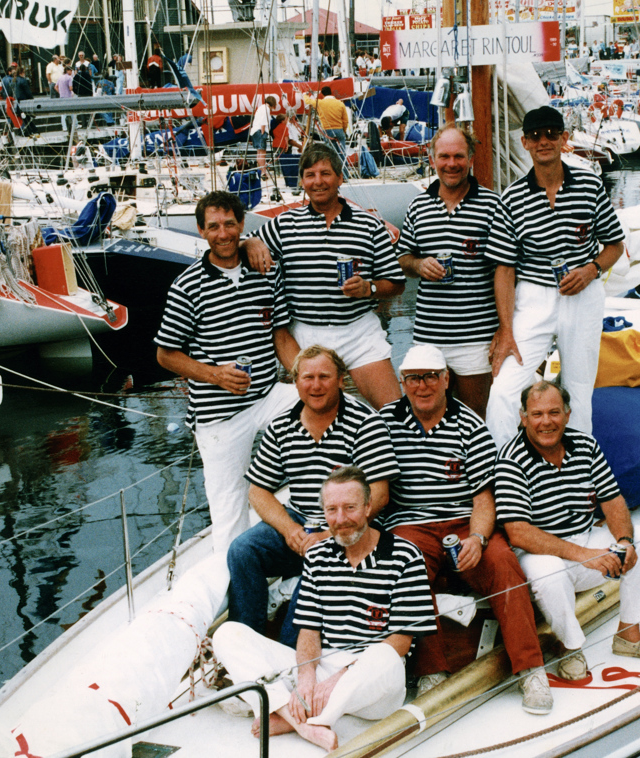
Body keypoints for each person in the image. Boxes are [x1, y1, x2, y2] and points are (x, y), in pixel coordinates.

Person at [378, 344, 553, 714]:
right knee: (406, 565)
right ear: (402, 382)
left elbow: (483, 496)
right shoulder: (383, 422)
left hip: (464, 521)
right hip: (409, 523)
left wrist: (478, 537)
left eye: (430, 377)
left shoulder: (470, 424)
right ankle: (431, 672)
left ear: (446, 380)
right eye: (413, 378)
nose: (422, 386)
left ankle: (530, 669)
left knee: (503, 563)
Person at [214, 466, 437, 751]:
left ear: (368, 507)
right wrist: (307, 678)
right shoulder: (318, 555)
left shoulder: (405, 555)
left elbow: (400, 643)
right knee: (228, 634)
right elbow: (309, 630)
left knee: (385, 657)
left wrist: (337, 680)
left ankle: (297, 713)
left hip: (370, 681)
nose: (340, 519)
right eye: (332, 510)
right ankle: (303, 724)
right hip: (322, 667)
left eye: (350, 508)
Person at [495, 381, 640, 680]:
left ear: (567, 414)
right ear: (523, 418)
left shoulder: (586, 445)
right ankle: (570, 647)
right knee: (550, 574)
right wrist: (585, 555)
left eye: (554, 412)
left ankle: (629, 636)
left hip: (585, 541)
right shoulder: (511, 460)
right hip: (538, 554)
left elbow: (613, 500)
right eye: (537, 414)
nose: (546, 421)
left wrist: (624, 540)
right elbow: (519, 532)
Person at [154, 191, 300, 551]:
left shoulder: (267, 271)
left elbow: (281, 335)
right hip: (218, 411)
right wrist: (215, 375)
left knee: (327, 407)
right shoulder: (186, 286)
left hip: (267, 395)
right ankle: (234, 570)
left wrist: (309, 378)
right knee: (229, 505)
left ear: (242, 225)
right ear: (201, 231)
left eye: (230, 224)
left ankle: (317, 523)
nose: (223, 233)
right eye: (214, 226)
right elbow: (166, 355)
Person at [226, 344, 399, 644]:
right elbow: (258, 491)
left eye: (324, 377)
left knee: (318, 562)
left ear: (341, 380)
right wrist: (289, 530)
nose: (315, 385)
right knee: (242, 550)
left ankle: (289, 649)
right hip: (300, 520)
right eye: (307, 377)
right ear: (296, 382)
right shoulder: (281, 426)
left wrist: (330, 534)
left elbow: (380, 495)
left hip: (352, 525)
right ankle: (245, 640)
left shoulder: (366, 423)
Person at [484, 106, 625, 449]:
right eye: (535, 136)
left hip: (583, 294)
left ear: (564, 138)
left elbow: (615, 245)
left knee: (578, 390)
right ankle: (503, 467)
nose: (543, 141)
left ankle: (577, 466)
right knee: (504, 390)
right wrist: (506, 329)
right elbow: (504, 268)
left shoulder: (590, 185)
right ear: (525, 143)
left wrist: (591, 270)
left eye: (551, 134)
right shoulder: (511, 199)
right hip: (534, 297)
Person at [241, 142, 405, 409]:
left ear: (339, 178)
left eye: (325, 173)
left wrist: (369, 289)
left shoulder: (370, 225)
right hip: (305, 335)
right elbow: (236, 246)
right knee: (317, 417)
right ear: (302, 181)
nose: (318, 181)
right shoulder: (285, 224)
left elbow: (396, 283)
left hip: (359, 332)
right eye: (310, 175)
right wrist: (249, 242)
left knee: (394, 412)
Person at [396, 126, 500, 418]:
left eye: (458, 156)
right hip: (428, 336)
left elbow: (506, 272)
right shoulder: (418, 206)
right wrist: (418, 265)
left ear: (471, 159)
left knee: (476, 416)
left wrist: (504, 330)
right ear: (432, 160)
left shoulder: (492, 205)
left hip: (477, 337)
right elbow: (403, 257)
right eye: (444, 156)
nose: (451, 163)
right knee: (428, 416)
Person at [304, 85, 349, 175]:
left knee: (329, 154)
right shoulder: (340, 103)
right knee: (341, 153)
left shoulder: (320, 103)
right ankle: (344, 175)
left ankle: (332, 174)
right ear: (331, 93)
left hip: (327, 131)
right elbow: (345, 120)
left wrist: (304, 94)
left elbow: (308, 101)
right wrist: (343, 131)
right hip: (339, 130)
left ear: (322, 94)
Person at [251, 95, 277, 179]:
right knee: (262, 153)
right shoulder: (266, 109)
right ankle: (263, 172)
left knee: (259, 153)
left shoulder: (261, 107)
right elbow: (263, 122)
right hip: (260, 131)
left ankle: (261, 170)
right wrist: (263, 133)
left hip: (255, 131)